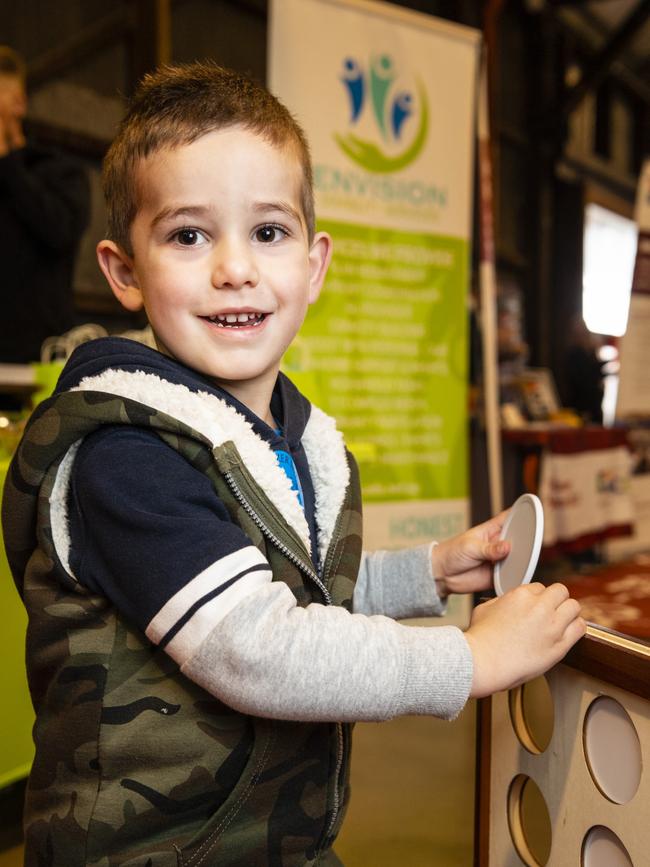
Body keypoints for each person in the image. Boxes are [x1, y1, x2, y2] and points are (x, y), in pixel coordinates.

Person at [1, 62, 585, 866]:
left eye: (267, 232)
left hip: (268, 839)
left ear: (313, 265)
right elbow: (257, 645)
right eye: (188, 234)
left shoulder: (285, 438)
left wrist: (430, 573)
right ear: (125, 272)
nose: (234, 267)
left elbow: (293, 586)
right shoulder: (124, 457)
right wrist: (470, 658)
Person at [0, 46, 90, 363]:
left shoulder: (58, 170)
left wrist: (9, 161)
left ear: (17, 104)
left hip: (39, 355)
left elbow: (60, 230)